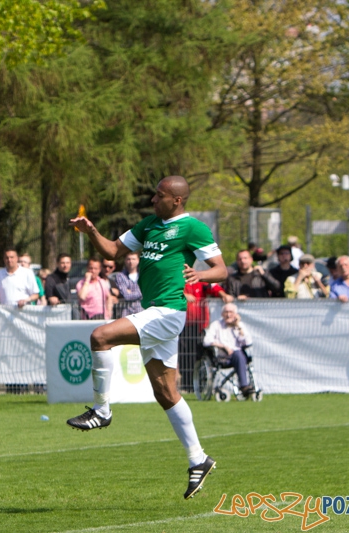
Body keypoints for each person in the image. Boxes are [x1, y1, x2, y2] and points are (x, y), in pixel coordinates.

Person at [65, 175, 228, 500]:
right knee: (166, 392)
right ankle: (198, 458)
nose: (153, 200)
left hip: (168, 312)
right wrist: (92, 231)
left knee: (100, 336)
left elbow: (221, 269)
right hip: (154, 310)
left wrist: (202, 274)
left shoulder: (193, 228)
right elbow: (112, 251)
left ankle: (102, 411)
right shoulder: (149, 224)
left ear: (177, 200)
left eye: (160, 196)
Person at [202, 303, 255, 397]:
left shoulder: (239, 326)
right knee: (239, 355)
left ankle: (245, 386)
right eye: (226, 312)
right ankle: (244, 386)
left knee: (239, 354)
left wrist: (238, 326)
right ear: (222, 314)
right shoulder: (216, 325)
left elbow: (248, 342)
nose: (228, 315)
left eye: (231, 312)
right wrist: (223, 346)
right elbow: (206, 341)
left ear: (235, 314)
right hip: (221, 356)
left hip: (238, 356)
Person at [112, 252, 143, 318]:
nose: (131, 262)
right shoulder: (120, 276)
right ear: (125, 260)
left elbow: (147, 292)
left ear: (138, 260)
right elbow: (126, 296)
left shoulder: (143, 275)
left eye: (133, 259)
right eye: (128, 259)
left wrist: (131, 292)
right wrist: (140, 293)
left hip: (142, 311)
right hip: (126, 312)